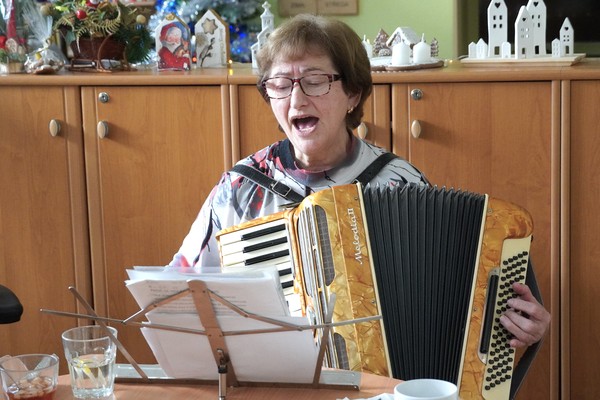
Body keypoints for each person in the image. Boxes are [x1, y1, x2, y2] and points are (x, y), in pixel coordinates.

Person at [168, 14, 550, 349]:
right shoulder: (241, 189)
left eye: (315, 81)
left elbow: (464, 302)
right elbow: (179, 289)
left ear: (353, 93)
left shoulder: (400, 184)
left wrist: (521, 324)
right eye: (281, 84)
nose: (296, 100)